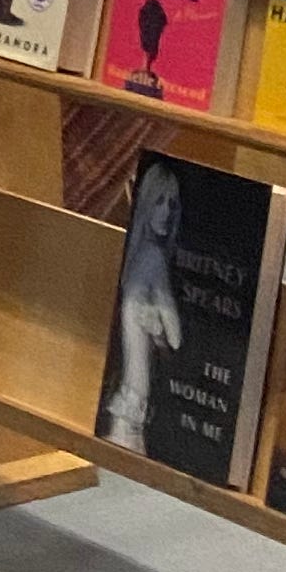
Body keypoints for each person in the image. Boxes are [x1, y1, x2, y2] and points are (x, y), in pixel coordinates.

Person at [102, 159, 185, 452]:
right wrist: (160, 326)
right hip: (134, 402)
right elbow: (176, 337)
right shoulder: (153, 259)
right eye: (160, 201)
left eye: (172, 204)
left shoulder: (134, 259)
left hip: (129, 399)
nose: (166, 211)